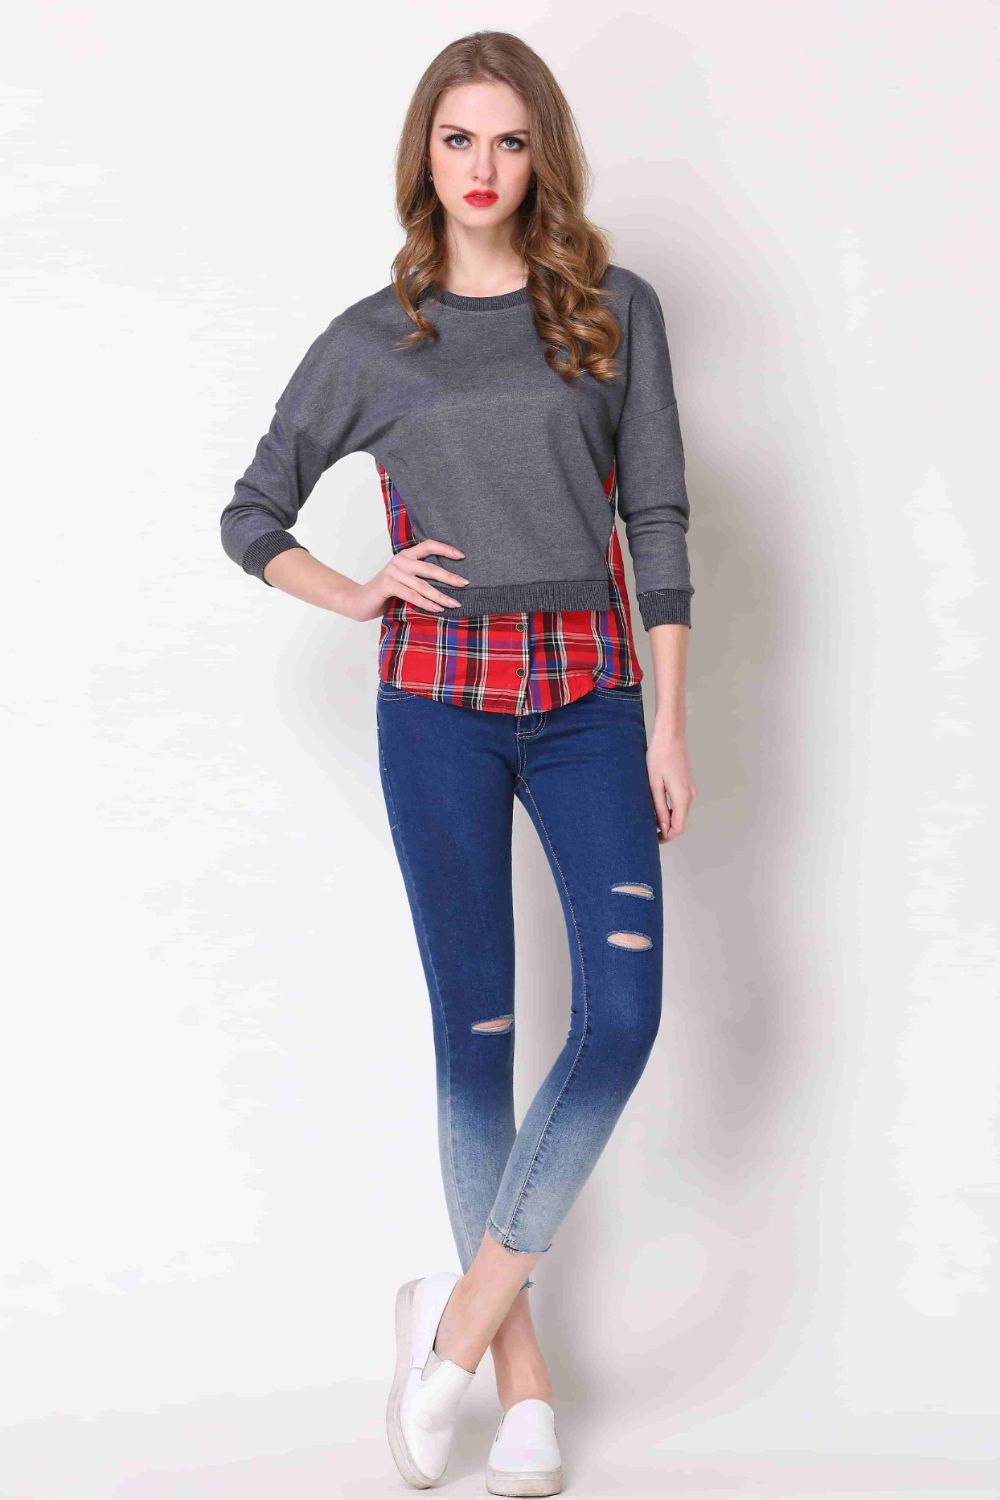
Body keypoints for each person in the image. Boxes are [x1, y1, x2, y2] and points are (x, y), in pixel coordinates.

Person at [219, 30, 697, 1496]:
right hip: (436, 703)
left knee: (622, 1015)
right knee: (476, 1034)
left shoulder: (611, 312)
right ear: (423, 157)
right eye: (456, 139)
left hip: (592, 696)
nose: (482, 167)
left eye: (508, 140)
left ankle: (454, 1331)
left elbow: (659, 519)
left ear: (543, 154)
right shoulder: (379, 339)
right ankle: (525, 1385)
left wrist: (669, 719)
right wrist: (355, 590)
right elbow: (251, 513)